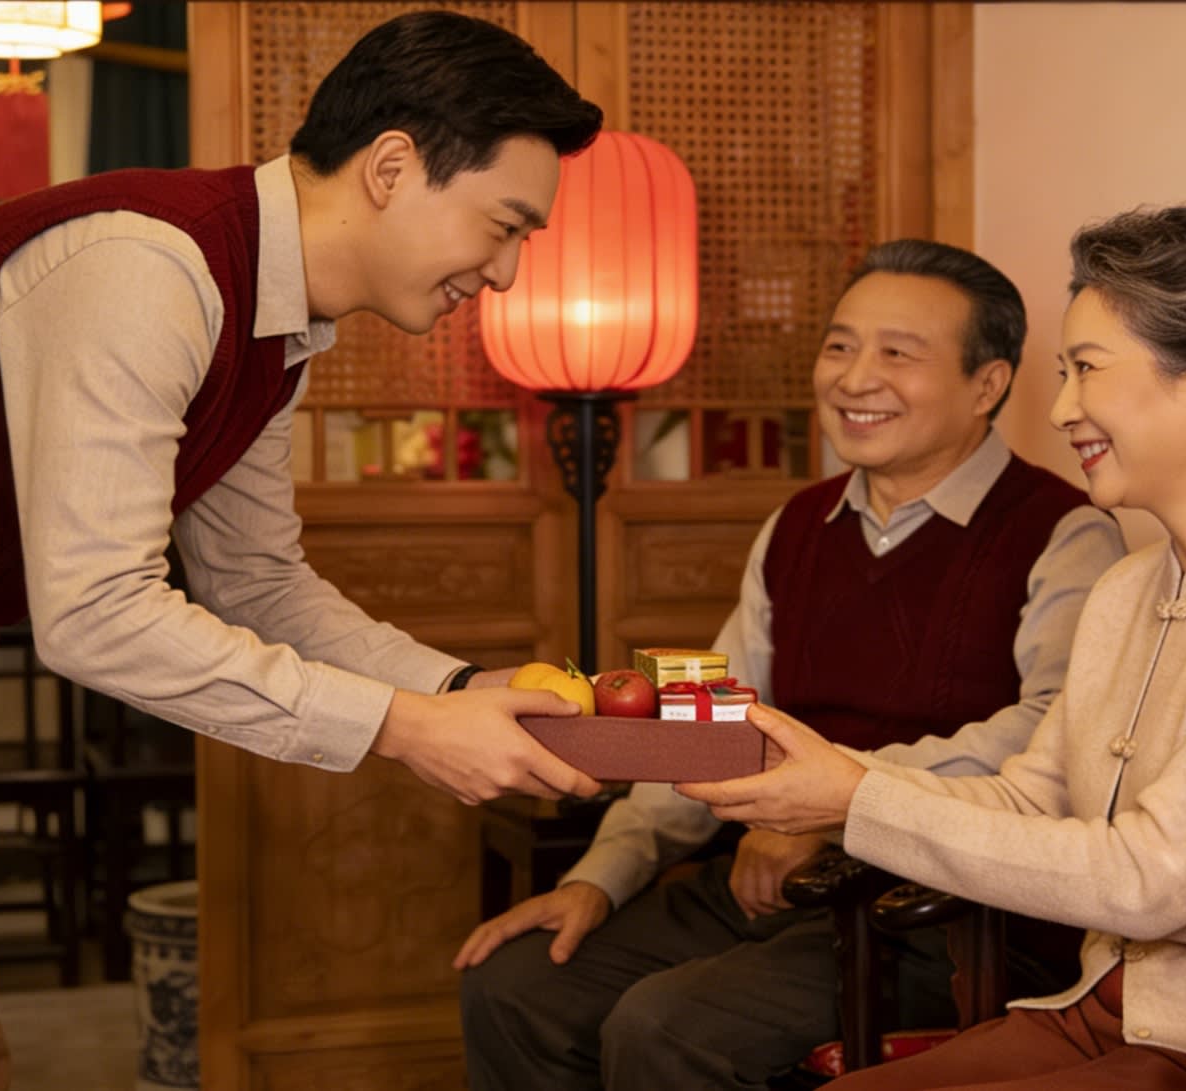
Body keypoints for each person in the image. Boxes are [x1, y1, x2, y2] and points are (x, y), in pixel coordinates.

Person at [0, 13, 604, 1091]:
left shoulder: (277, 329)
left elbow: (255, 579)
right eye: (503, 225)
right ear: (393, 165)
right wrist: (411, 728)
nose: (504, 273)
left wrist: (454, 686)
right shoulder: (149, 264)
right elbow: (94, 613)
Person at [682, 202, 1186, 1090]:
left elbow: (1149, 878)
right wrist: (833, 780)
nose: (1060, 408)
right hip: (1122, 1008)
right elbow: (1034, 794)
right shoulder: (1129, 587)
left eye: (1086, 370)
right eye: (1063, 372)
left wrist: (858, 797)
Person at [457, 240, 1127, 1090]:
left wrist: (828, 806)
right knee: (515, 987)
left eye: (897, 352)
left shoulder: (1064, 532)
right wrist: (600, 875)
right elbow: (706, 716)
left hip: (944, 912)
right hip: (776, 876)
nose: (854, 378)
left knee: (668, 1028)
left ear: (986, 385)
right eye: (840, 346)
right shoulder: (797, 524)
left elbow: (1048, 738)